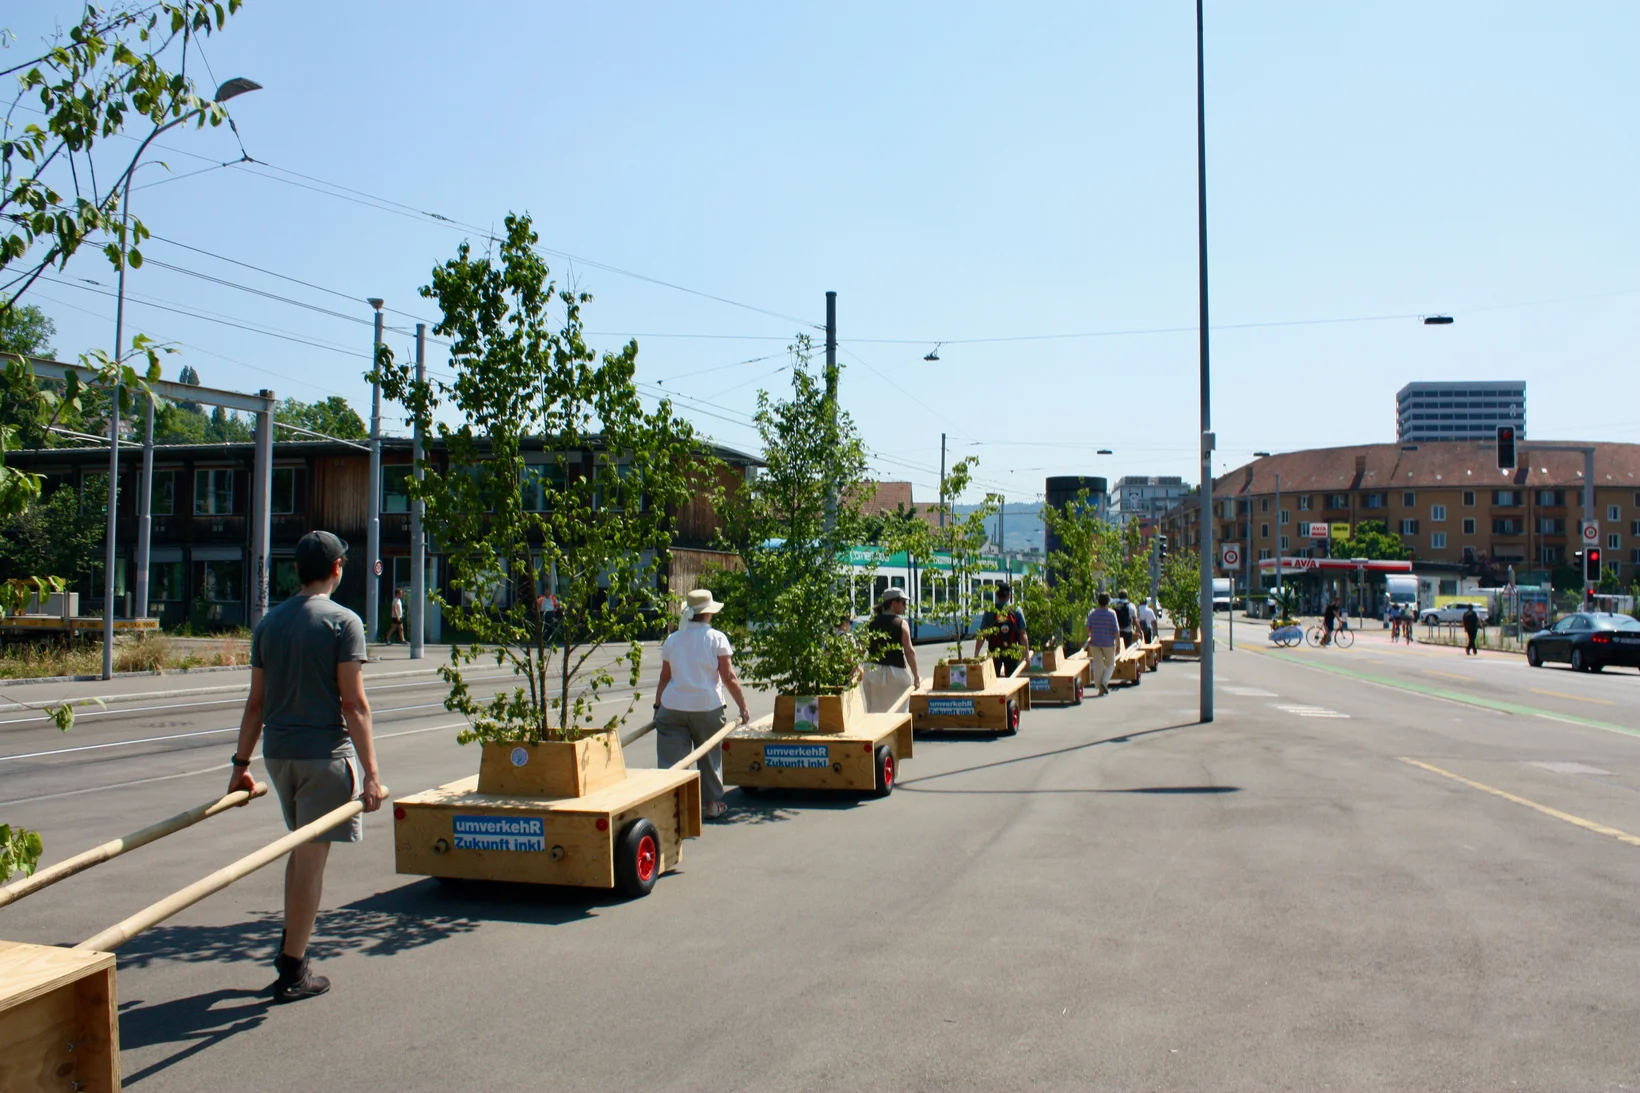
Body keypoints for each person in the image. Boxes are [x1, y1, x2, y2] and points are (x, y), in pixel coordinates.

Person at [228, 530, 386, 1003]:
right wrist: (373, 775)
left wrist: (240, 764)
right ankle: (293, 970)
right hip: (323, 757)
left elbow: (255, 704)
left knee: (301, 851)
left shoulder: (269, 624)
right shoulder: (343, 622)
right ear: (338, 569)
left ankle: (291, 951)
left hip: (279, 756)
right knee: (311, 860)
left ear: (297, 570)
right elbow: (354, 704)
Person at [654, 589, 751, 820]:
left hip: (673, 707)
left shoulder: (673, 638)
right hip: (707, 708)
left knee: (672, 761)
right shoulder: (717, 638)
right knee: (709, 758)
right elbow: (728, 677)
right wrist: (743, 708)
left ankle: (672, 808)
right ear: (708, 614)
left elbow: (665, 677)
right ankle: (710, 804)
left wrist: (658, 706)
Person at [863, 588, 920, 712]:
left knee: (875, 711)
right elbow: (909, 651)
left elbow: (861, 648)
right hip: (896, 673)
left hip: (872, 672)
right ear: (893, 603)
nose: (905, 607)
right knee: (898, 712)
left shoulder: (871, 623)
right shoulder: (901, 623)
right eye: (903, 603)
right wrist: (916, 676)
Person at [979, 581, 1029, 677]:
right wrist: (1026, 653)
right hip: (1012, 650)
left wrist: (976, 653)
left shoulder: (990, 611)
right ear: (1009, 595)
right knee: (1011, 677)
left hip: (994, 650)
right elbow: (1022, 634)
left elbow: (983, 633)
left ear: (996, 594)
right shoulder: (1016, 610)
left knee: (993, 678)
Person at [1085, 592, 1120, 696]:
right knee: (1111, 664)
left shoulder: (1092, 613)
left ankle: (1099, 688)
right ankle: (1104, 683)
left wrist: (1090, 636)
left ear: (1098, 601)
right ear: (1108, 602)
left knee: (1098, 665)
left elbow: (1087, 627)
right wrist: (1118, 644)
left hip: (1095, 642)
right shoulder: (1112, 613)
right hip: (1108, 642)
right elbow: (1116, 630)